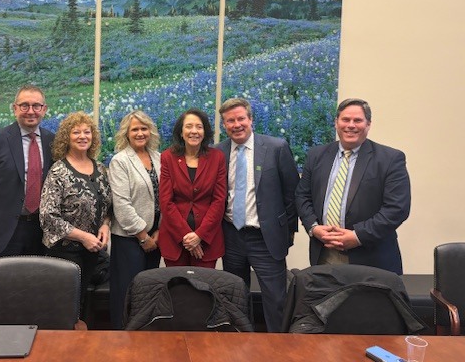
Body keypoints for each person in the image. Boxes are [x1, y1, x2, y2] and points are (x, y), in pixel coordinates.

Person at [295, 98, 411, 275]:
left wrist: (358, 236)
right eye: (345, 119)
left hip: (371, 259)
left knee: (368, 304)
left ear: (368, 124)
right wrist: (313, 228)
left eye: (357, 120)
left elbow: (397, 209)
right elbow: (302, 196)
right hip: (325, 255)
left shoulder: (390, 159)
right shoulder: (316, 155)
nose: (351, 125)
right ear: (336, 123)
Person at [216, 98, 300, 333]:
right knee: (234, 296)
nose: (236, 124)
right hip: (231, 235)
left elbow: (292, 194)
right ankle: (240, 345)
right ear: (224, 125)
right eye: (230, 121)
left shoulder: (276, 147)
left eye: (241, 118)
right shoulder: (217, 152)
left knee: (276, 299)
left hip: (265, 237)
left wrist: (288, 233)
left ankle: (278, 348)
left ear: (251, 119)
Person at [40, 112, 112, 328]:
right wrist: (83, 237)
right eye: (76, 132)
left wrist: (106, 226)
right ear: (66, 137)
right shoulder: (58, 171)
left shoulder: (99, 168)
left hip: (92, 252)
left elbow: (108, 207)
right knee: (64, 308)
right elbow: (47, 215)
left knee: (81, 307)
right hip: (64, 252)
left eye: (87, 132)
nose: (83, 136)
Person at [0, 84, 55, 260]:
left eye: (36, 106)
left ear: (44, 109)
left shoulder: (52, 142)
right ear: (15, 109)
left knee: (35, 286)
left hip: (39, 233)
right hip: (2, 233)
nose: (30, 111)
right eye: (24, 105)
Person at [108, 110, 162, 329]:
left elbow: (166, 197)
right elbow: (121, 205)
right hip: (130, 239)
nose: (140, 133)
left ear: (150, 131)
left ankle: (144, 336)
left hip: (156, 237)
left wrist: (159, 232)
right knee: (127, 292)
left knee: (149, 290)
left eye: (144, 128)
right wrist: (143, 236)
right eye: (135, 129)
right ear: (126, 134)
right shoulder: (120, 161)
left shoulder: (159, 157)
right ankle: (122, 337)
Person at [158, 109, 226, 268]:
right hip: (175, 240)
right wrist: (187, 237)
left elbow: (219, 200)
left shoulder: (217, 158)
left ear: (205, 131)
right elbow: (166, 201)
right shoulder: (168, 157)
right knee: (177, 289)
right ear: (181, 132)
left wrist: (199, 236)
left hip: (207, 241)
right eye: (189, 126)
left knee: (203, 289)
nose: (194, 131)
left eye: (199, 127)